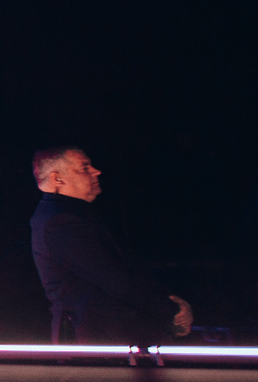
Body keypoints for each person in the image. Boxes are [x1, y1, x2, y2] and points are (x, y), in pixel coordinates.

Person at [29, 146, 193, 345]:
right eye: (85, 167)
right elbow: (114, 279)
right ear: (58, 179)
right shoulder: (62, 221)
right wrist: (171, 310)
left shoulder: (64, 215)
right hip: (102, 341)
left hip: (104, 338)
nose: (96, 171)